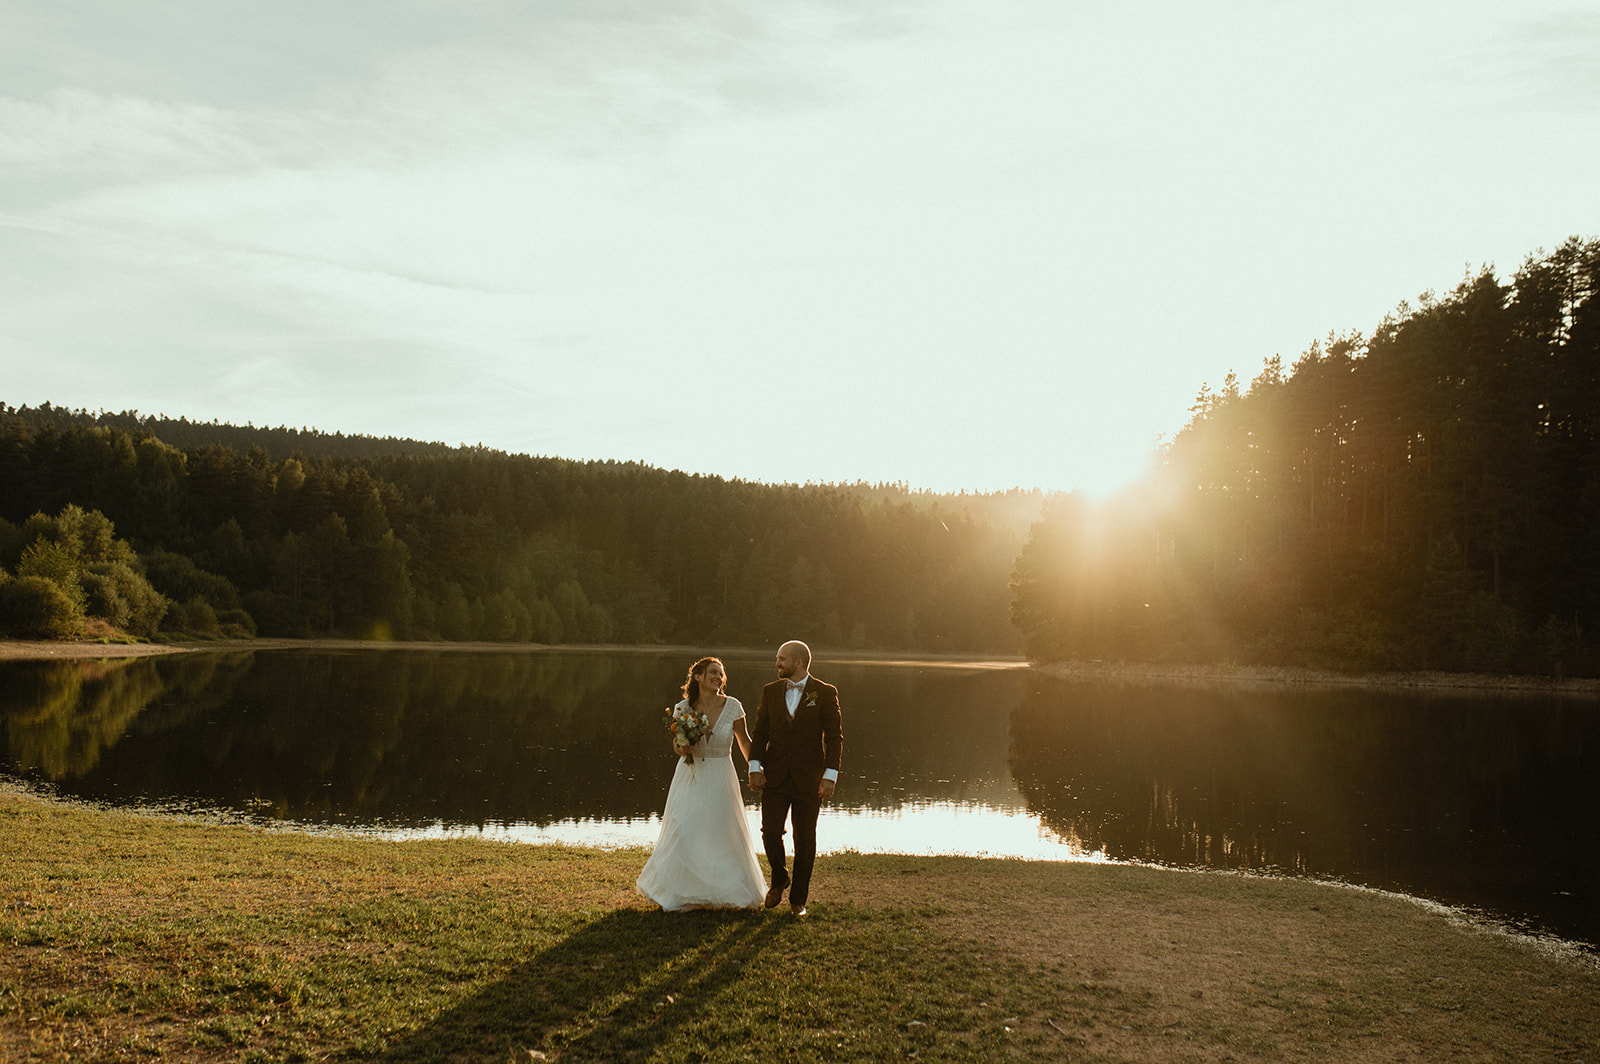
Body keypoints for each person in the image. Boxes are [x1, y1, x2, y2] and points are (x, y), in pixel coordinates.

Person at [636, 656, 767, 911]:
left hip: (721, 773)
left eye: (721, 674)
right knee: (685, 830)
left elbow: (745, 742)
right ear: (698, 677)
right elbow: (677, 746)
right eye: (713, 672)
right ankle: (684, 892)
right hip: (691, 774)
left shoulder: (733, 707)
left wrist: (757, 768)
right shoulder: (682, 708)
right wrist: (682, 747)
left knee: (723, 831)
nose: (718, 677)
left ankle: (726, 891)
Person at [747, 640, 843, 917]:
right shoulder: (770, 691)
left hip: (809, 779)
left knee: (805, 840)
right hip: (775, 776)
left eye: (781, 659)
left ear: (798, 662)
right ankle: (779, 879)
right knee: (770, 831)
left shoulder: (824, 692)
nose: (777, 663)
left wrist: (830, 775)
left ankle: (798, 899)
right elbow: (760, 731)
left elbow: (835, 738)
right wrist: (755, 766)